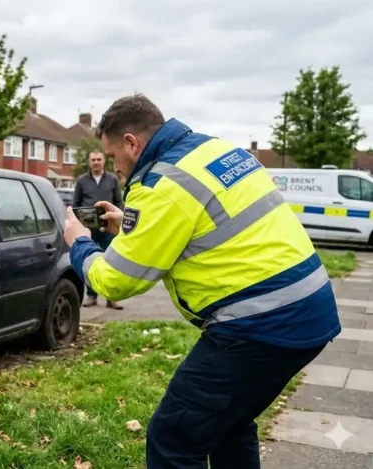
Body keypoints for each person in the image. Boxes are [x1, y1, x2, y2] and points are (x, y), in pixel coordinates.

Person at [64, 94, 340, 469]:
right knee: (229, 424)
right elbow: (201, 220)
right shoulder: (216, 151)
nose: (115, 164)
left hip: (259, 325)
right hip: (311, 308)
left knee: (173, 437)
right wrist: (132, 219)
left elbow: (115, 281)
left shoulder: (162, 184)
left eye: (112, 154)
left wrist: (79, 242)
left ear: (131, 142)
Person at [72, 149, 124, 309]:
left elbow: (118, 201)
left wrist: (119, 219)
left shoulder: (112, 179)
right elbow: (76, 203)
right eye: (93, 160)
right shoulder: (81, 181)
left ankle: (111, 297)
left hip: (108, 225)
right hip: (89, 226)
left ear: (103, 161)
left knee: (112, 260)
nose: (96, 162)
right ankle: (91, 296)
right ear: (89, 162)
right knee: (89, 259)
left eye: (98, 159)